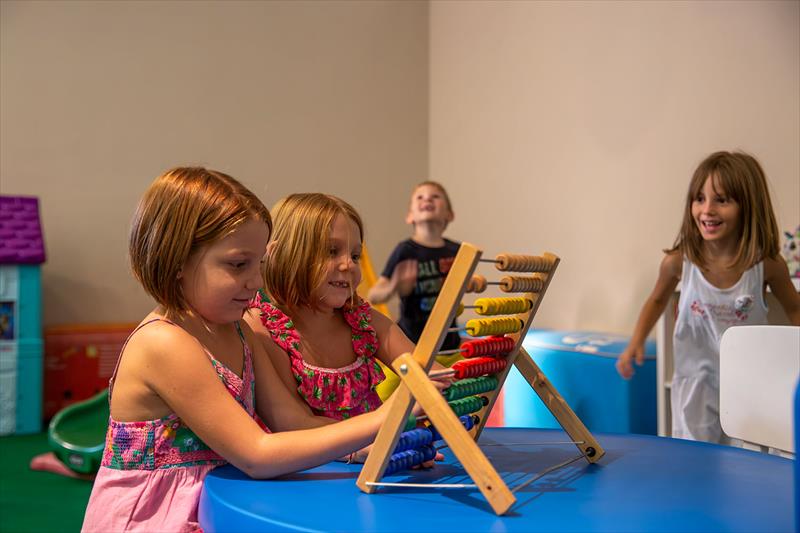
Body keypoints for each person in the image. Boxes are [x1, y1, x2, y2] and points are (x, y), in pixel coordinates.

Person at [81, 169, 409, 533]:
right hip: (155, 517)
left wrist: (365, 447)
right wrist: (384, 418)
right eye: (238, 265)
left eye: (258, 265)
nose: (256, 282)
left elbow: (292, 423)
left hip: (215, 505)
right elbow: (256, 453)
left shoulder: (238, 330)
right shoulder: (164, 343)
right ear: (177, 261)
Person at [616, 151, 800, 444]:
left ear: (748, 206)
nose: (707, 209)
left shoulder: (766, 265)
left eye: (721, 200)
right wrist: (635, 342)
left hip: (748, 384)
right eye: (699, 199)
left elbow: (794, 308)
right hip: (695, 383)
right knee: (695, 458)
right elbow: (657, 301)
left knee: (748, 457)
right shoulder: (678, 263)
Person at [245, 193, 449, 424]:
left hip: (380, 444)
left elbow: (426, 371)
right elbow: (297, 425)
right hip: (341, 445)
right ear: (281, 254)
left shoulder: (363, 322)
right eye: (331, 251)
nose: (349, 265)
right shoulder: (266, 332)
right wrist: (375, 433)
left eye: (355, 255)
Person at [368, 181, 462, 356]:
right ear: (410, 216)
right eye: (420, 197)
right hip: (411, 344)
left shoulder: (458, 251)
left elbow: (470, 283)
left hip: (449, 345)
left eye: (435, 196)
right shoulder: (405, 250)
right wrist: (394, 286)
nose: (427, 199)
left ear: (449, 215)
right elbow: (374, 295)